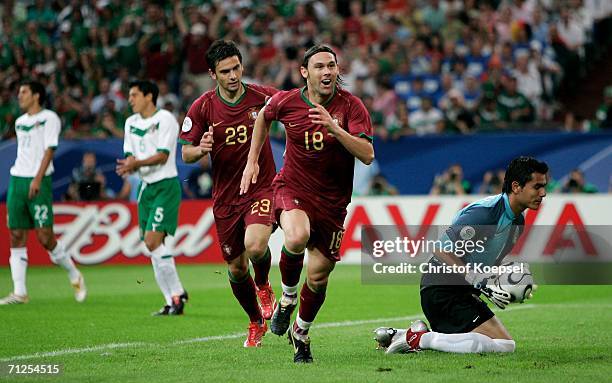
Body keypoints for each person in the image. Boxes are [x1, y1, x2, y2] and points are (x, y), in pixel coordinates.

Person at [241, 45, 374, 363]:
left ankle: (300, 333)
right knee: (296, 236)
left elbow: (367, 155)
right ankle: (286, 299)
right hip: (293, 187)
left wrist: (334, 128)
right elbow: (263, 118)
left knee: (318, 276)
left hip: (333, 202)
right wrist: (252, 162)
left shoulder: (352, 107)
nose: (327, 72)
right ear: (305, 72)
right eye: (319, 66)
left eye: (332, 66)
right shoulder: (287, 101)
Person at [380, 157, 548, 354]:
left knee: (504, 345)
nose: (543, 193)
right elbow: (441, 249)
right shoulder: (486, 215)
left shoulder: (517, 222)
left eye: (544, 187)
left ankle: (403, 335)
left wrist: (507, 281)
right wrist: (477, 279)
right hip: (441, 290)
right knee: (504, 347)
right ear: (516, 186)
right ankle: (419, 339)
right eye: (537, 187)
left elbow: (487, 263)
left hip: (463, 292)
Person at [179, 40, 278, 348]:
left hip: (260, 186)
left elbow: (295, 110)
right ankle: (254, 322)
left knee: (256, 244)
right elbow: (186, 154)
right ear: (213, 74)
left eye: (236, 68)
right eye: (225, 71)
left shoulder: (263, 96)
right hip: (225, 198)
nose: (233, 75)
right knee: (236, 268)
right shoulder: (203, 106)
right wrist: (201, 149)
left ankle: (263, 284)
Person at [1, 80, 86, 305]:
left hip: (39, 180)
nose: (19, 96)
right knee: (16, 234)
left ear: (37, 95)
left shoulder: (50, 118)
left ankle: (74, 274)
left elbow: (50, 149)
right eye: (19, 92)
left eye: (24, 92)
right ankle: (19, 292)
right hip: (18, 179)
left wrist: (38, 178)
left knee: (45, 237)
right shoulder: (20, 122)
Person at [116, 80, 188, 316]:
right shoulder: (130, 122)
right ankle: (172, 300)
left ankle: (177, 293)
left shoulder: (165, 119)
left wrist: (135, 163)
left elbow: (162, 155)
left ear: (149, 97)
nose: (130, 99)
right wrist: (129, 164)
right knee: (152, 245)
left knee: (152, 241)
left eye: (134, 95)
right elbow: (130, 152)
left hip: (165, 186)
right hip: (146, 189)